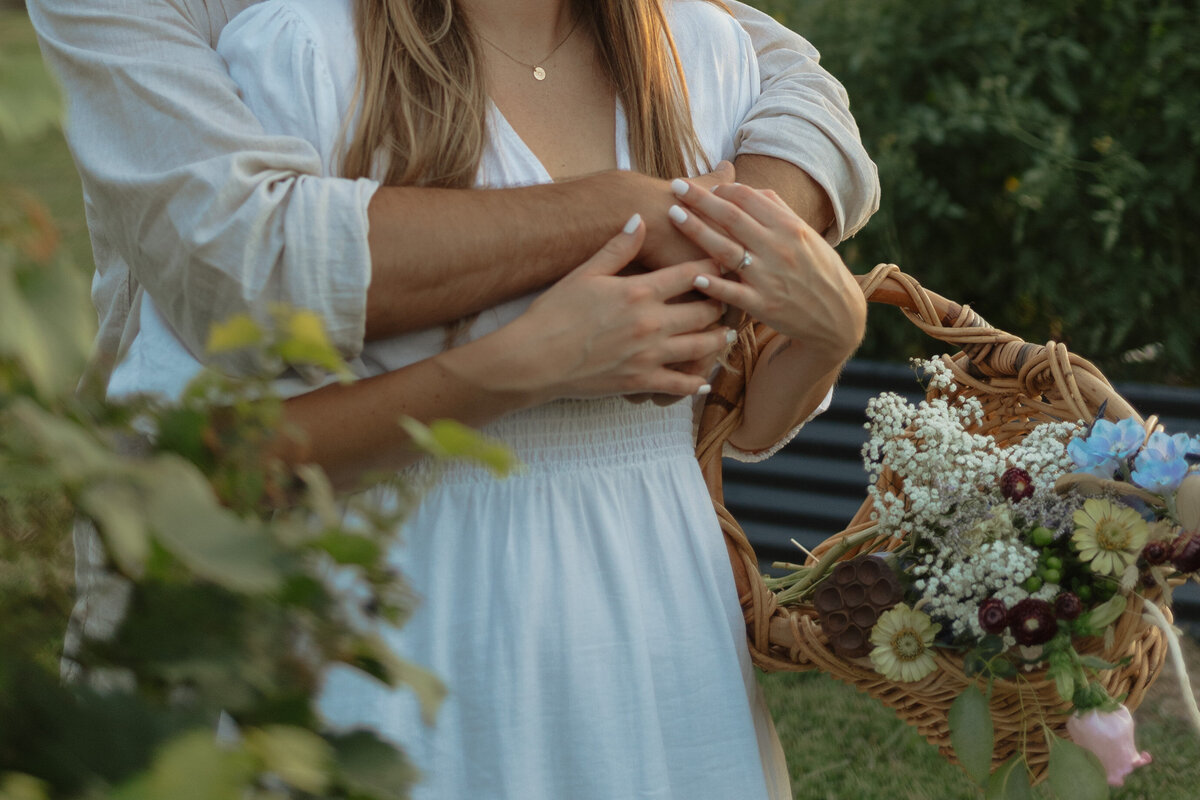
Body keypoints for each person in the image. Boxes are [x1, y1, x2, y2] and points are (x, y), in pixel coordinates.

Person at [32, 0, 875, 798]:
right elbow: (236, 378)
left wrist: (832, 328)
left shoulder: (706, 55)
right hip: (412, 608)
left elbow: (730, 406)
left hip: (657, 612)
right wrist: (529, 350)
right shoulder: (297, 52)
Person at [29, 0, 878, 394]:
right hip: (256, 547)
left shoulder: (674, 34)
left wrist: (716, 247)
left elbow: (795, 89)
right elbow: (250, 263)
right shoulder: (284, 43)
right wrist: (628, 210)